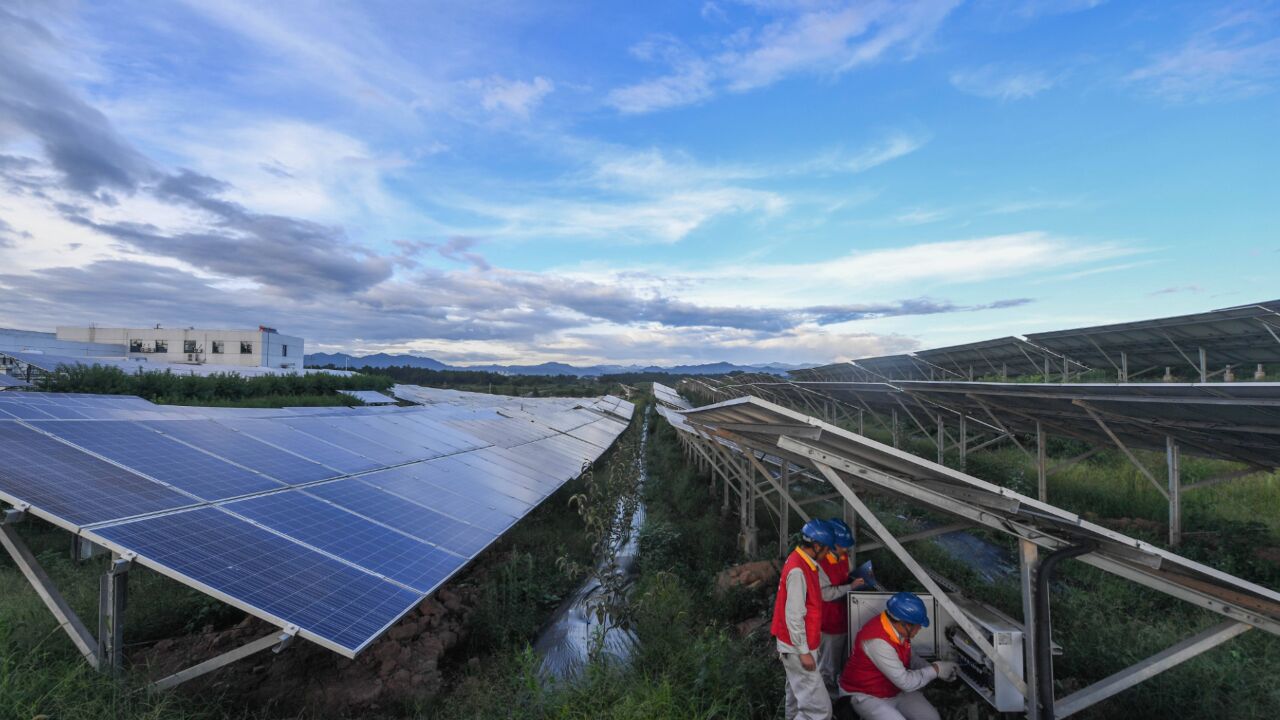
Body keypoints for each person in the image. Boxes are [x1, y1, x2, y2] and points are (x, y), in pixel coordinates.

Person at [837, 592, 958, 720]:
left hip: (892, 689)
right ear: (905, 623)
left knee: (932, 718)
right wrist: (936, 670)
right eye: (918, 626)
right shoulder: (877, 642)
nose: (919, 629)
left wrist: (935, 669)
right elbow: (906, 682)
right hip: (865, 694)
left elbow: (910, 657)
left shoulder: (896, 630)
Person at [772, 519, 836, 720]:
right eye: (827, 549)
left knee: (795, 699)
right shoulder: (799, 569)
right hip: (798, 648)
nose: (828, 554)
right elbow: (794, 615)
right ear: (816, 546)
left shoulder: (802, 562)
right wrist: (804, 652)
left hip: (796, 646)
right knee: (819, 711)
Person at [816, 518, 866, 693]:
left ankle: (838, 686)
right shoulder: (819, 562)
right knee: (827, 661)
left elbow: (849, 574)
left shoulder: (844, 556)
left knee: (841, 657)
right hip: (828, 619)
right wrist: (850, 587)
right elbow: (825, 594)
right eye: (841, 545)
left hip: (845, 615)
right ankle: (823, 694)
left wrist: (860, 579)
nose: (845, 549)